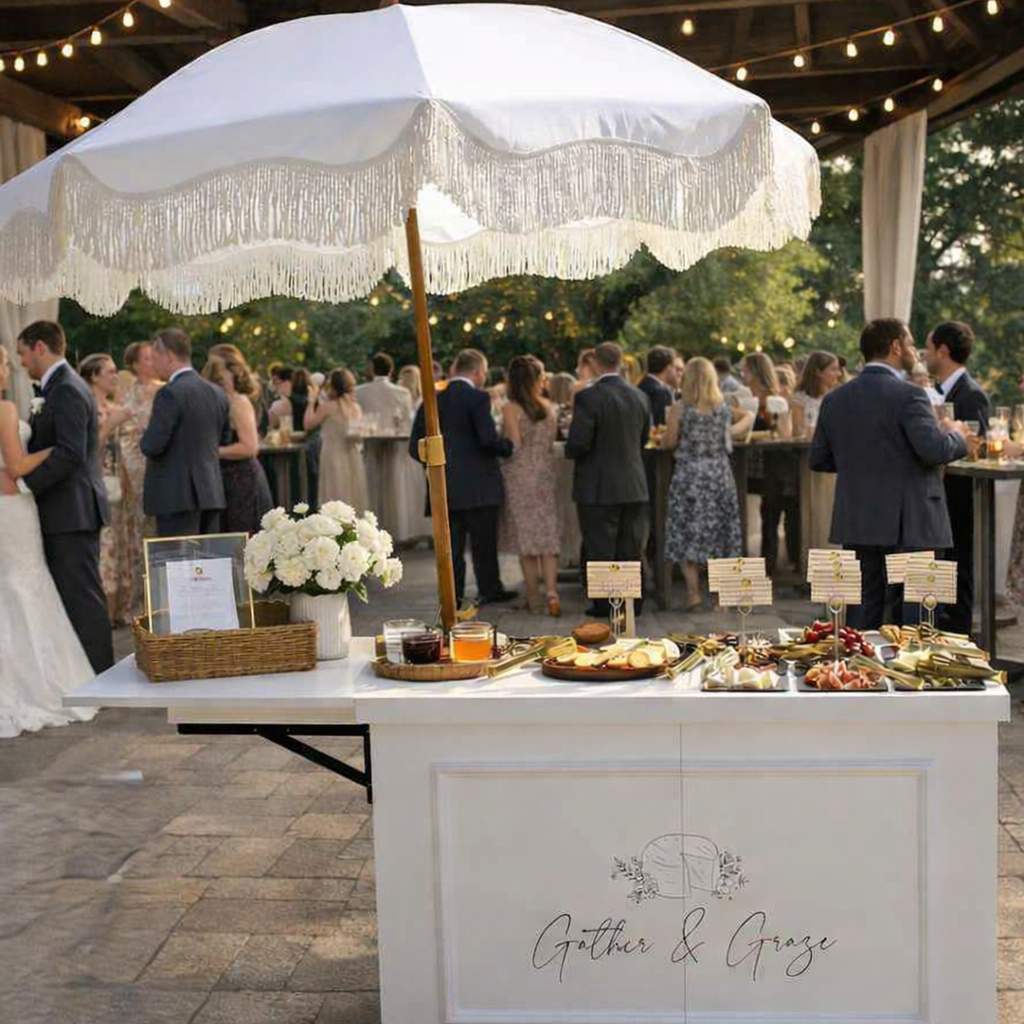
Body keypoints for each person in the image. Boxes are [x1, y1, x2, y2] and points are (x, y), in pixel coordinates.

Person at [810, 318, 973, 629]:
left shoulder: (835, 399)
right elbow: (935, 450)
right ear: (896, 347)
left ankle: (863, 674)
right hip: (911, 521)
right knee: (918, 619)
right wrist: (957, 435)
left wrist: (860, 464)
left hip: (858, 519)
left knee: (861, 618)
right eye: (910, 343)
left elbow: (819, 459)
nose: (914, 350)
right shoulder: (910, 395)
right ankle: (907, 677)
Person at [0, 345, 99, 736]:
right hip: (13, 509)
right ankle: (34, 683)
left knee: (10, 589)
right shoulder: (5, 409)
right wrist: (57, 449)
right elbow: (17, 465)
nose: (10, 369)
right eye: (5, 363)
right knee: (27, 587)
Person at [14, 321, 114, 674]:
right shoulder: (58, 386)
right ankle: (85, 671)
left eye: (23, 353)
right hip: (66, 508)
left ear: (40, 347)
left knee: (82, 594)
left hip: (73, 510)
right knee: (73, 594)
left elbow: (71, 453)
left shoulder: (67, 388)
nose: (22, 362)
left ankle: (101, 673)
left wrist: (27, 484)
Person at [409, 348, 516, 606]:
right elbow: (487, 439)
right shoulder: (478, 398)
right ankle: (489, 589)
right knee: (483, 545)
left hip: (443, 486)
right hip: (480, 483)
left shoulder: (431, 400)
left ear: (455, 369)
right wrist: (508, 446)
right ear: (479, 372)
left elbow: (414, 447)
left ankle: (453, 595)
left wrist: (437, 465)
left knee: (450, 548)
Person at [565, 342, 651, 617]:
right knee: (631, 546)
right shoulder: (639, 395)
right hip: (633, 481)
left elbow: (579, 442)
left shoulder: (589, 397)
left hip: (598, 484)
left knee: (600, 547)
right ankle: (631, 603)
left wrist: (569, 449)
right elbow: (644, 438)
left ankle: (604, 605)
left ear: (596, 363)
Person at [662, 357, 753, 610]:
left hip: (689, 476)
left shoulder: (680, 408)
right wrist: (730, 432)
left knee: (687, 532)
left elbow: (668, 442)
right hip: (718, 475)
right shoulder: (723, 405)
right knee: (721, 534)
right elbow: (749, 414)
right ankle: (722, 598)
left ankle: (693, 594)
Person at [924, 321, 990, 634]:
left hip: (956, 496)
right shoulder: (932, 392)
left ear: (943, 350)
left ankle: (960, 641)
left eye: (928, 347)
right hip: (934, 496)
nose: (924, 354)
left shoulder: (972, 394)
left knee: (958, 571)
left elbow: (978, 446)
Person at [141, 327, 230, 538]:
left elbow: (152, 445)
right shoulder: (217, 393)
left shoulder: (169, 393)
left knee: (178, 564)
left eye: (155, 358)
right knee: (207, 565)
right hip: (210, 492)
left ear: (169, 356)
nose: (153, 365)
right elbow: (224, 438)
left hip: (176, 495)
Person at [499, 356, 562, 616]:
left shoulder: (511, 409)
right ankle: (552, 593)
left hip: (520, 475)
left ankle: (534, 597)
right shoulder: (549, 407)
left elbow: (513, 443)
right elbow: (550, 444)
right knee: (547, 536)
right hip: (545, 473)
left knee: (526, 539)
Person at [79, 354, 136, 624]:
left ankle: (120, 612)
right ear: (94, 376)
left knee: (122, 545)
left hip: (119, 485)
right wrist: (111, 425)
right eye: (110, 372)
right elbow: (88, 451)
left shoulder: (114, 406)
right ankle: (103, 611)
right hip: (97, 484)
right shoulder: (87, 406)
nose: (116, 376)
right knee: (106, 548)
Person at [201, 344, 273, 534]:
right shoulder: (215, 401)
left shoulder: (238, 402)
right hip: (223, 480)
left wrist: (213, 452)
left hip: (243, 482)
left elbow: (250, 447)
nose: (211, 372)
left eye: (217, 367)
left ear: (233, 371)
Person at [741, 352, 796, 574]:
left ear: (755, 371)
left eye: (745, 369)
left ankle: (770, 566)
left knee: (770, 513)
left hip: (774, 466)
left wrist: (755, 434)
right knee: (763, 514)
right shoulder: (747, 397)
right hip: (752, 464)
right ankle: (761, 564)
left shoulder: (774, 399)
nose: (742, 373)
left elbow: (784, 433)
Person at [120, 341, 162, 611]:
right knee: (138, 526)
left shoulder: (164, 390)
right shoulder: (126, 393)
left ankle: (160, 589)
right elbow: (122, 430)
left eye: (153, 356)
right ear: (134, 364)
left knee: (157, 525)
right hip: (133, 463)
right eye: (145, 357)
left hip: (158, 464)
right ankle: (140, 590)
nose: (151, 360)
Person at [356, 352, 417, 539]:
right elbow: (408, 420)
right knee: (396, 486)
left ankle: (372, 529)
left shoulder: (360, 391)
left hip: (370, 442)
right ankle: (398, 530)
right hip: (396, 443)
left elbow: (356, 421)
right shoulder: (402, 392)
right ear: (391, 370)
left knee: (372, 484)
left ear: (372, 369)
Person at [792, 351, 843, 557]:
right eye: (833, 369)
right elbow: (798, 432)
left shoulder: (839, 396)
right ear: (818, 372)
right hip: (809, 463)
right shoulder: (799, 399)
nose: (838, 373)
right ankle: (811, 565)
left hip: (835, 462)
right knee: (813, 515)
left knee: (830, 514)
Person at [306, 367, 369, 512]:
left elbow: (308, 424)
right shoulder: (355, 407)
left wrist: (311, 401)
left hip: (332, 454)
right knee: (353, 492)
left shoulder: (327, 407)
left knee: (333, 492)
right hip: (352, 454)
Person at [637, 346, 679, 428]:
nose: (675, 371)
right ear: (668, 367)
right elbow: (664, 425)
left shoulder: (639, 386)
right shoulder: (663, 392)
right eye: (674, 367)